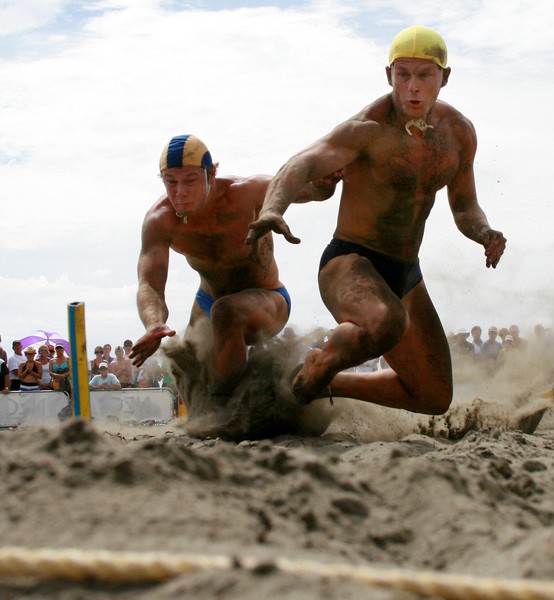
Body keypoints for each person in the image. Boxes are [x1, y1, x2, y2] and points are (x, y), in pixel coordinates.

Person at [247, 25, 506, 414]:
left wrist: (484, 232)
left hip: (405, 274)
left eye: (424, 75)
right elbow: (301, 163)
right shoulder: (366, 130)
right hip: (349, 263)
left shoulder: (458, 133)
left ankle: (326, 379)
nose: (413, 87)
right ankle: (316, 371)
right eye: (403, 75)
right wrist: (272, 210)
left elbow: (465, 206)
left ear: (444, 78)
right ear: (389, 76)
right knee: (387, 322)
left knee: (434, 396)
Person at [130, 133, 340, 399]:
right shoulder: (160, 220)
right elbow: (149, 283)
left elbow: (310, 190)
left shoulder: (246, 192)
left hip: (268, 299)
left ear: (211, 174)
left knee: (227, 310)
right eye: (171, 183)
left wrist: (328, 179)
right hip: (208, 301)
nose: (179, 193)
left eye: (190, 181)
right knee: (187, 363)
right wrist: (153, 323)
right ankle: (204, 415)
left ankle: (229, 408)